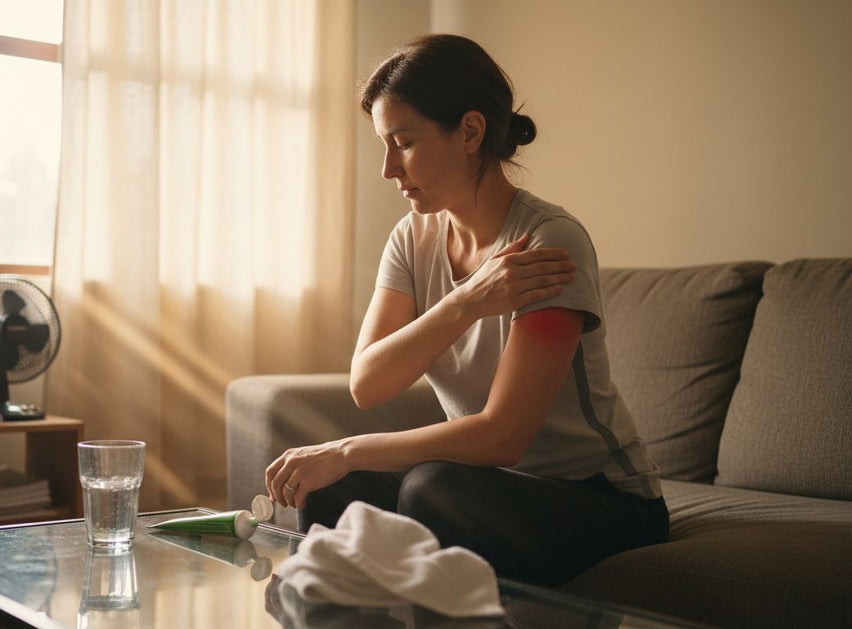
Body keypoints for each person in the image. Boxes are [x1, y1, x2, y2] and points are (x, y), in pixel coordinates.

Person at [265, 34, 668, 586]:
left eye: (402, 142)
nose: (388, 168)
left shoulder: (548, 244)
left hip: (599, 499)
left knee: (431, 487)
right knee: (334, 485)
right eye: (385, 144)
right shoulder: (412, 238)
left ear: (470, 132)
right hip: (492, 484)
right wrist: (466, 302)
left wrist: (347, 448)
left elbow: (503, 437)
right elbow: (368, 383)